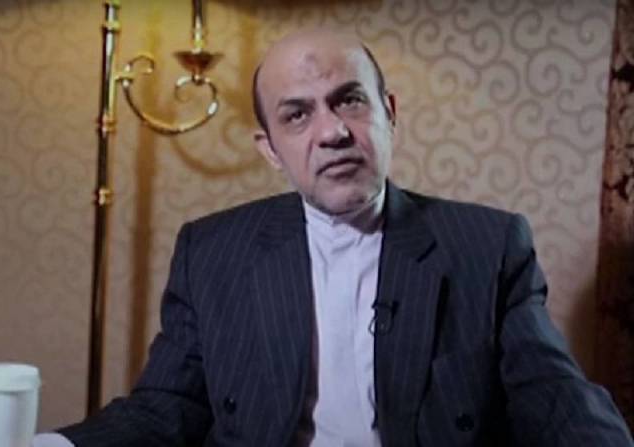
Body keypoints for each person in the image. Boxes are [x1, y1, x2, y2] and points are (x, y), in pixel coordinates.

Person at [34, 28, 633, 446]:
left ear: (389, 112)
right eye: (297, 115)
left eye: (349, 101)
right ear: (271, 150)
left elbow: (551, 393)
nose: (332, 133)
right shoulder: (211, 251)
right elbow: (169, 407)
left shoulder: (487, 245)